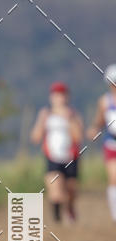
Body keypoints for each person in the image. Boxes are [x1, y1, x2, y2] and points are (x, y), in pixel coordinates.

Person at [30, 81, 83, 222]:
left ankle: (70, 208)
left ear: (67, 97)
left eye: (62, 95)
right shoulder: (45, 114)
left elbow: (78, 137)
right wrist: (42, 120)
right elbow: (35, 138)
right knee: (56, 192)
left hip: (71, 157)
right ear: (51, 97)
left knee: (71, 191)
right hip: (52, 157)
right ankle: (57, 219)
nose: (60, 98)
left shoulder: (73, 114)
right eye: (56, 95)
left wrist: (69, 119)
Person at [87, 64, 116, 222]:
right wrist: (94, 130)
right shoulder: (104, 102)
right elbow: (99, 121)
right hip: (111, 144)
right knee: (114, 177)